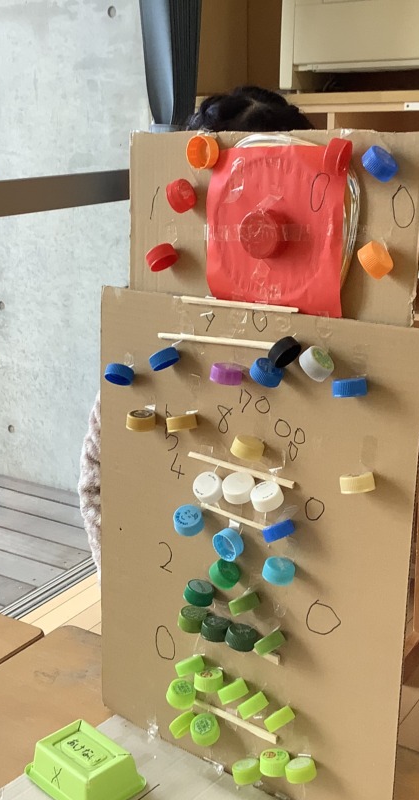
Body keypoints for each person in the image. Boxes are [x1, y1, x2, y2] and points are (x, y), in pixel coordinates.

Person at [78, 86, 314, 578]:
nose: (252, 236)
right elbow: (99, 481)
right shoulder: (157, 337)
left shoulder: (326, 338)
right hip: (170, 578)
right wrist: (123, 582)